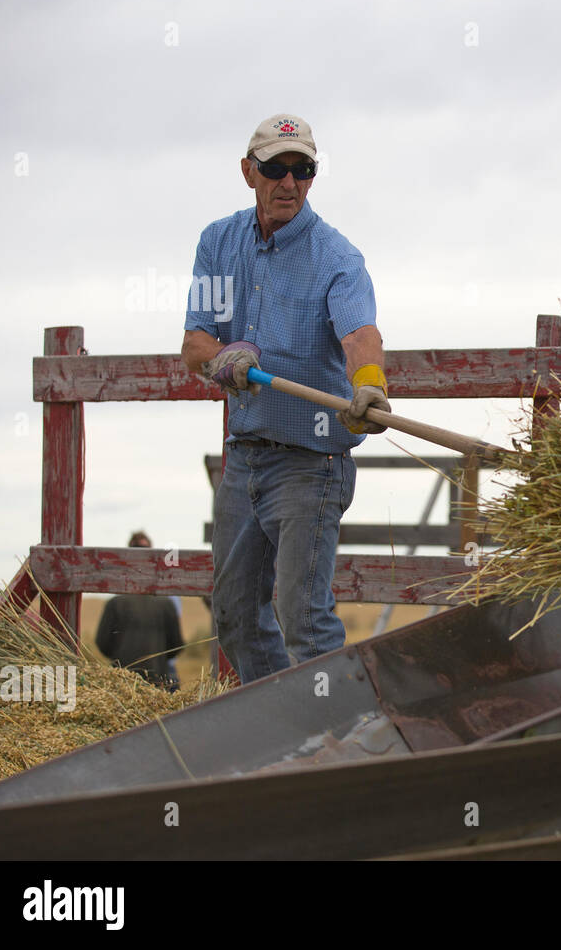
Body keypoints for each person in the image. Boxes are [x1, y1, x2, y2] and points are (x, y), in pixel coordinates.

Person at [180, 114, 389, 684]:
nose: (289, 183)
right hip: (244, 456)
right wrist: (222, 356)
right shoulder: (217, 244)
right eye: (276, 169)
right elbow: (195, 343)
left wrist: (368, 382)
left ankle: (341, 739)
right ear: (249, 172)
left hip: (310, 462)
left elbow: (359, 335)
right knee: (236, 618)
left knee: (303, 619)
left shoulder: (337, 259)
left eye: (303, 170)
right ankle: (278, 730)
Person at [95, 532, 185, 690]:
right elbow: (176, 645)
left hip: (122, 681)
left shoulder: (115, 604)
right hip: (160, 679)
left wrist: (121, 659)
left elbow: (102, 642)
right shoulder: (167, 602)